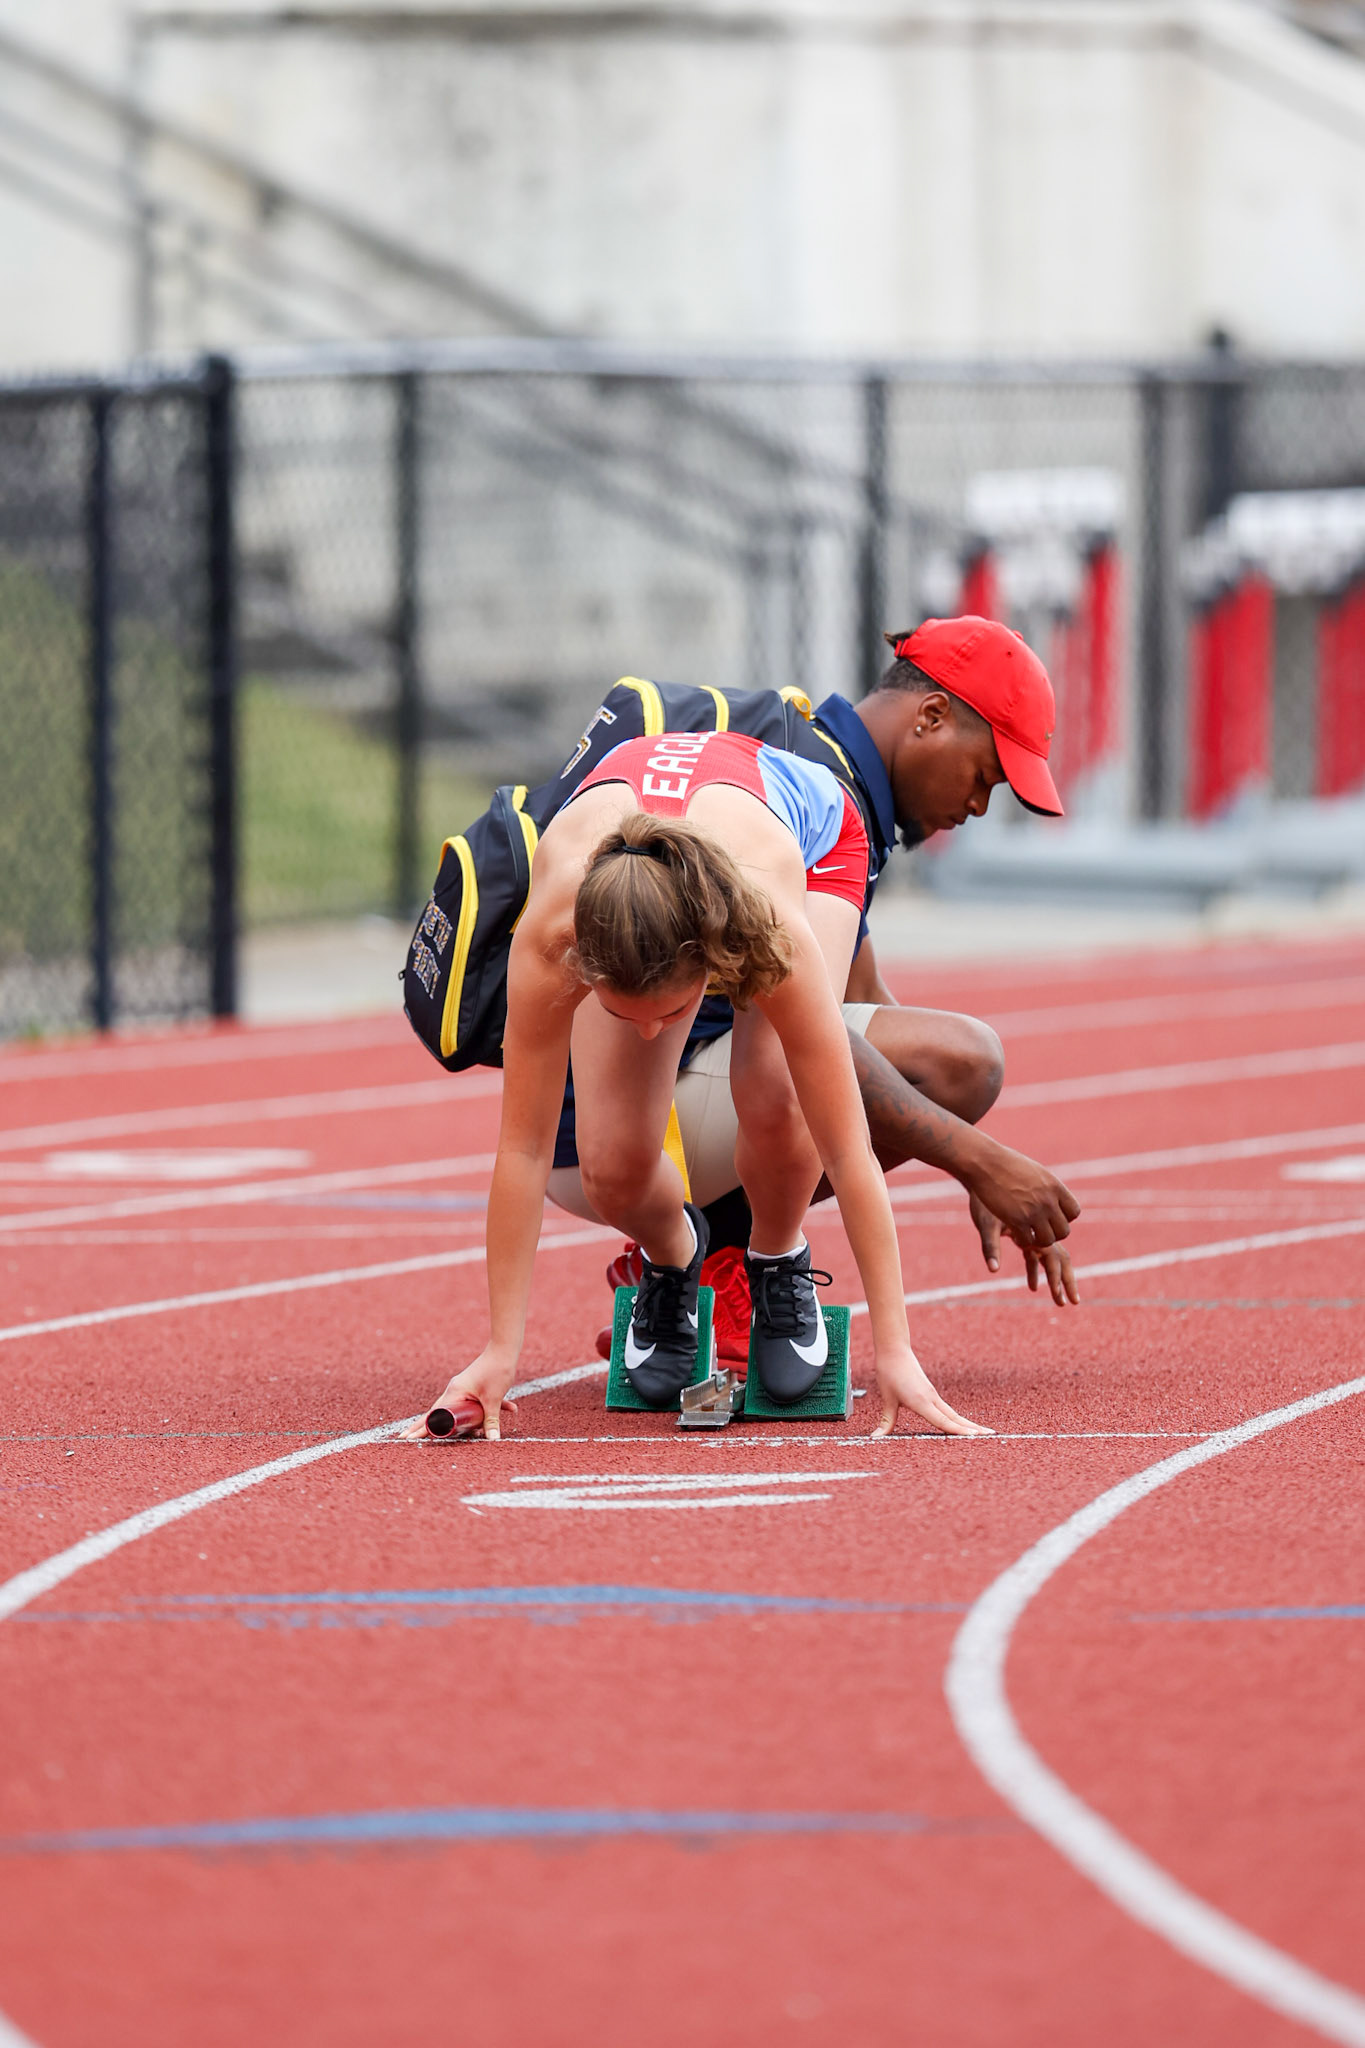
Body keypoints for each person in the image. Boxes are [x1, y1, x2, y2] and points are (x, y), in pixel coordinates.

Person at [408, 725, 991, 1444]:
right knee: (612, 1167)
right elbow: (523, 1152)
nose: (654, 1035)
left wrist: (896, 1351)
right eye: (628, 1016)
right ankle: (673, 1259)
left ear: (711, 963)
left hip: (809, 835)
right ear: (586, 966)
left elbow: (847, 1152)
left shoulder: (767, 923)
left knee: (775, 1091)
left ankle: (776, 1259)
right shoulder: (554, 932)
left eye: (676, 1012)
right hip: (643, 857)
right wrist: (500, 1353)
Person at [542, 618, 1082, 1347]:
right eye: (984, 775)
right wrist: (975, 1158)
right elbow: (819, 1039)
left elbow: (860, 1001)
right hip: (612, 1130)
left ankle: (694, 1252)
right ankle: (705, 1262)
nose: (978, 807)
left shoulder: (808, 750)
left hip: (607, 1109)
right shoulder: (824, 788)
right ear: (930, 717)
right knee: (962, 1062)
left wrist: (968, 1162)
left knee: (925, 1070)